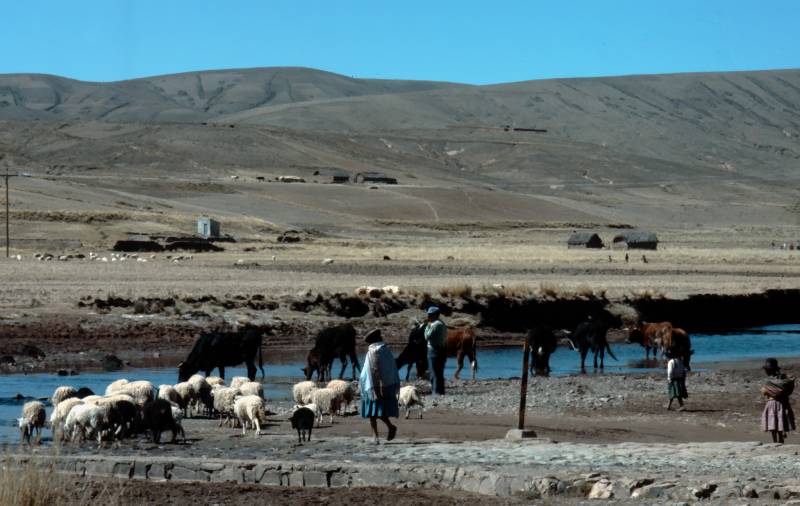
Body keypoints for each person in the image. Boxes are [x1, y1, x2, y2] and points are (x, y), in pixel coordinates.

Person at [359, 329, 399, 443]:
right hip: (386, 384)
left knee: (372, 411)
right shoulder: (385, 350)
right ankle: (389, 427)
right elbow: (391, 367)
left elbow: (375, 369)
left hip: (373, 385)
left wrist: (379, 384)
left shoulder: (373, 351)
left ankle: (375, 436)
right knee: (378, 410)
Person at [760, 357, 796, 444]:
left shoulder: (769, 381)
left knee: (773, 423)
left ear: (768, 370)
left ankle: (775, 441)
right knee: (780, 422)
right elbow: (786, 389)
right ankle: (781, 440)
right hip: (783, 403)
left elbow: (764, 391)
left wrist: (768, 391)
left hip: (772, 403)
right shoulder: (783, 380)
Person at [423, 306, 448, 395]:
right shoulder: (442, 323)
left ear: (435, 315)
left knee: (434, 373)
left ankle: (436, 393)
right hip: (441, 350)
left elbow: (427, 337)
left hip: (434, 351)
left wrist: (427, 327)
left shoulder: (435, 325)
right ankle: (441, 392)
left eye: (430, 315)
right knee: (439, 373)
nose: (428, 317)